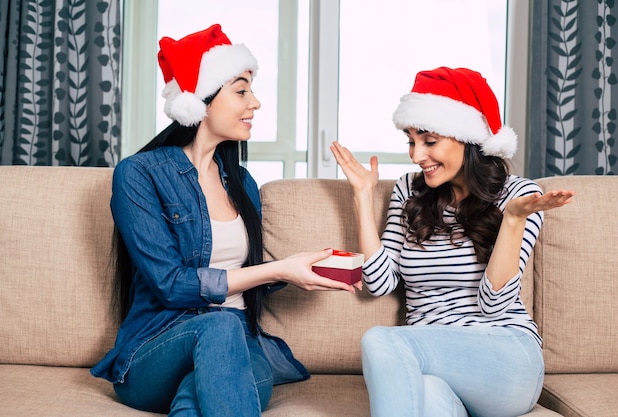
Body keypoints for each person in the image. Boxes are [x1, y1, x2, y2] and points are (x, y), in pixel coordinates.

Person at [90, 24, 356, 417]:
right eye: (242, 90)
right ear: (201, 100)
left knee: (199, 393)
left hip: (239, 347)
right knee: (219, 326)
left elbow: (242, 280)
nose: (256, 104)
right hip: (158, 347)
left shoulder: (243, 184)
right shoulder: (139, 174)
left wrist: (298, 269)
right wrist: (276, 269)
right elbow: (171, 285)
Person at [330, 67, 575, 417]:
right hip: (434, 367)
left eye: (429, 141)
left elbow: (495, 305)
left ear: (467, 138)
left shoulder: (520, 195)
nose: (416, 155)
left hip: (506, 359)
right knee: (426, 398)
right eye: (411, 141)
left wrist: (514, 219)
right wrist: (362, 197)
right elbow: (378, 282)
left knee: (380, 339)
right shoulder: (408, 190)